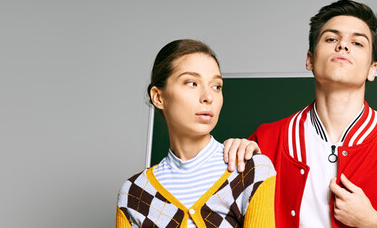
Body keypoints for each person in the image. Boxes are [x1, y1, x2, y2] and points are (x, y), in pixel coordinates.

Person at [223, 0, 377, 227]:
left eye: (357, 43)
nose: (342, 46)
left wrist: (373, 223)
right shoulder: (265, 141)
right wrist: (230, 156)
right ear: (310, 60)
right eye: (331, 38)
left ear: (372, 69)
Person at [116, 39, 276, 228]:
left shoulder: (251, 171)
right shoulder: (134, 193)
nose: (208, 97)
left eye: (216, 86)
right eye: (192, 83)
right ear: (158, 97)